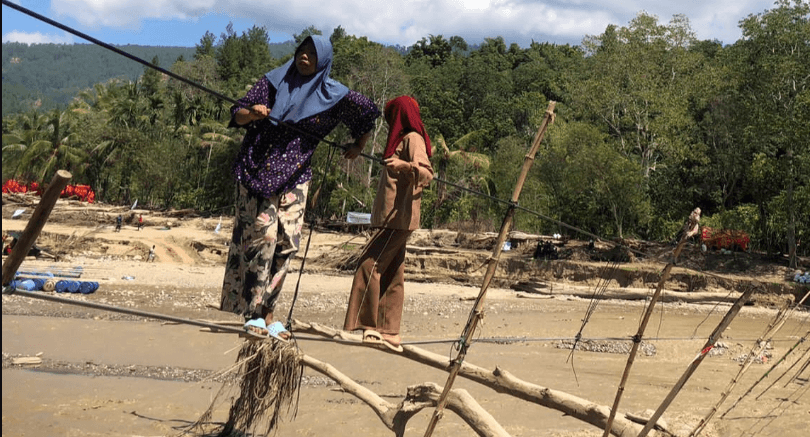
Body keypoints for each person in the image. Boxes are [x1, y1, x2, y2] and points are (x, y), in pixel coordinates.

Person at [219, 35, 380, 342]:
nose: (304, 55)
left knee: (286, 244)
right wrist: (252, 112)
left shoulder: (335, 96)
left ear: (324, 60)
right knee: (263, 238)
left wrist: (359, 144)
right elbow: (236, 114)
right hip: (259, 171)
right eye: (301, 51)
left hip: (297, 176)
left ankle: (269, 314)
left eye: (312, 53)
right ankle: (253, 314)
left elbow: (367, 112)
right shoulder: (274, 82)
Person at [343, 96, 433, 352]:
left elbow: (427, 173)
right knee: (393, 271)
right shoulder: (399, 141)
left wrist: (405, 165)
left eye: (392, 116)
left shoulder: (412, 138)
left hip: (398, 219)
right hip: (393, 219)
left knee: (368, 265)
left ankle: (368, 325)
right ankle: (390, 330)